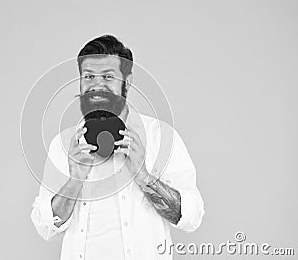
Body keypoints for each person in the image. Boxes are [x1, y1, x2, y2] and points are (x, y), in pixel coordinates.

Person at [31, 35, 205, 260]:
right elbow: (44, 226)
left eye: (108, 76)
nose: (97, 84)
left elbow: (192, 217)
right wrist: (75, 181)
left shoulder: (160, 137)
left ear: (127, 82)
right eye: (89, 76)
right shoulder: (64, 144)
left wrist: (144, 177)